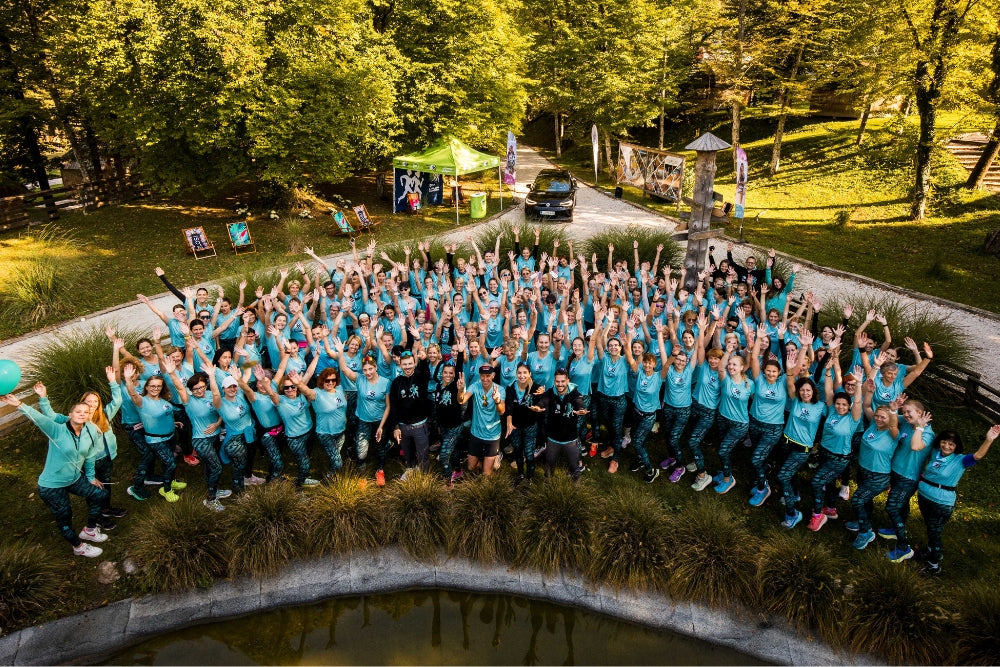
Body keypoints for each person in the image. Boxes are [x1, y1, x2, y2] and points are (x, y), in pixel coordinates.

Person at [2, 393, 109, 557]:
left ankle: (89, 530)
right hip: (51, 485)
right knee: (65, 516)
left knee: (100, 494)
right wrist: (19, 405)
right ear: (70, 415)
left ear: (90, 415)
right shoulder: (57, 430)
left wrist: (90, 477)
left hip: (74, 480)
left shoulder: (91, 431)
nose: (82, 414)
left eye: (86, 412)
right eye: (78, 411)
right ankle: (78, 547)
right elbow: (38, 418)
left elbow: (89, 456)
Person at [916, 426, 999, 575]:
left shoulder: (960, 460)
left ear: (956, 447)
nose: (946, 446)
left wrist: (989, 439)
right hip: (924, 496)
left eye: (951, 444)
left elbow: (978, 456)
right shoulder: (935, 452)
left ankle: (934, 565)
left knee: (935, 531)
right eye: (944, 442)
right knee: (930, 527)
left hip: (941, 503)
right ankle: (931, 550)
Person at [807, 361, 864, 532]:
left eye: (844, 405)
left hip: (839, 458)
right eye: (838, 404)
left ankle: (818, 516)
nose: (840, 406)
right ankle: (830, 509)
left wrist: (860, 383)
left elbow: (859, 402)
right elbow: (829, 391)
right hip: (825, 452)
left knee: (817, 482)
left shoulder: (853, 419)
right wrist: (827, 371)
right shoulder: (831, 411)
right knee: (830, 482)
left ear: (849, 406)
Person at [880, 399, 935, 562]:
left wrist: (919, 427)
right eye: (904, 412)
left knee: (892, 508)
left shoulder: (928, 433)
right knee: (901, 505)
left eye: (909, 412)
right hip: (895, 471)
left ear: (920, 413)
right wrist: (893, 409)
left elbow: (915, 446)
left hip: (908, 477)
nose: (905, 415)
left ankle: (904, 548)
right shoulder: (905, 421)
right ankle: (895, 529)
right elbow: (891, 419)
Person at [846, 392, 903, 550]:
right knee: (865, 501)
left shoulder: (893, 433)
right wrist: (869, 391)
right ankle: (862, 520)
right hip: (863, 469)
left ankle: (866, 532)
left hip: (879, 476)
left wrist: (893, 411)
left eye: (882, 417)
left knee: (857, 500)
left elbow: (892, 424)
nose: (878, 419)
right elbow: (866, 406)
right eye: (877, 416)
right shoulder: (873, 425)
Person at [123, 364, 185, 502]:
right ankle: (166, 489)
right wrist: (128, 379)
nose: (155, 388)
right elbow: (132, 393)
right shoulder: (142, 402)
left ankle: (171, 480)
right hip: (156, 440)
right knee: (171, 463)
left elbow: (162, 415)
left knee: (170, 461)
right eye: (152, 386)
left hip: (170, 436)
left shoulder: (163, 401)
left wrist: (172, 423)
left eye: (158, 386)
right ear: (146, 387)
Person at [711, 343, 755, 494]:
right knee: (725, 448)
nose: (731, 367)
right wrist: (728, 352)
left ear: (742, 367)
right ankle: (724, 471)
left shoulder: (750, 384)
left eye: (735, 364)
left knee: (723, 450)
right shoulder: (726, 379)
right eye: (730, 364)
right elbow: (721, 368)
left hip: (739, 424)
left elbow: (755, 400)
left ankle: (728, 478)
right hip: (723, 418)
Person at [382, 349, 433, 479]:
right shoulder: (396, 382)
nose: (407, 367)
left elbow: (426, 373)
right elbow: (393, 407)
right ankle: (410, 468)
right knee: (408, 453)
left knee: (423, 454)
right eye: (404, 364)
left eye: (410, 364)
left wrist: (423, 360)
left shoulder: (420, 377)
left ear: (414, 363)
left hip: (419, 425)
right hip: (403, 426)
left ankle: (424, 477)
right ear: (400, 365)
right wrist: (396, 427)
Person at [298, 367, 348, 479]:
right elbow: (306, 391)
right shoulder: (316, 393)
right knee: (338, 462)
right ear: (322, 380)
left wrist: (344, 416)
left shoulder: (339, 388)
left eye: (333, 380)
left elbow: (344, 402)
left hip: (340, 431)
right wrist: (298, 383)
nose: (331, 383)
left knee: (335, 457)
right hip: (326, 433)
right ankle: (329, 479)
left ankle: (330, 475)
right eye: (327, 380)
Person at [539, 369, 589, 480]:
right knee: (549, 467)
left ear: (568, 380)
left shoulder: (575, 393)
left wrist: (581, 409)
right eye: (557, 381)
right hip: (553, 439)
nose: (560, 384)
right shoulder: (550, 392)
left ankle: (575, 490)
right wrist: (538, 406)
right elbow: (544, 400)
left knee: (574, 468)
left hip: (570, 440)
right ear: (554, 381)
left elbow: (579, 401)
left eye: (563, 381)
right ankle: (547, 488)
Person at [457, 365, 506, 477]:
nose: (485, 379)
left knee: (487, 474)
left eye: (488, 375)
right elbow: (462, 400)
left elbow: (502, 411)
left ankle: (497, 456)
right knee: (471, 467)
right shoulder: (475, 386)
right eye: (482, 376)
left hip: (492, 435)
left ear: (493, 375)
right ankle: (484, 459)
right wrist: (460, 390)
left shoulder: (500, 389)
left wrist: (497, 401)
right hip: (476, 433)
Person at [504, 363, 546, 483]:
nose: (522, 375)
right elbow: (509, 407)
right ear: (516, 374)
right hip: (515, 426)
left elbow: (542, 402)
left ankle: (530, 478)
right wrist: (509, 423)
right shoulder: (511, 388)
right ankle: (520, 475)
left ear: (529, 374)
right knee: (517, 451)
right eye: (519, 373)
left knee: (529, 454)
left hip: (530, 426)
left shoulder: (536, 388)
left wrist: (539, 403)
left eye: (524, 373)